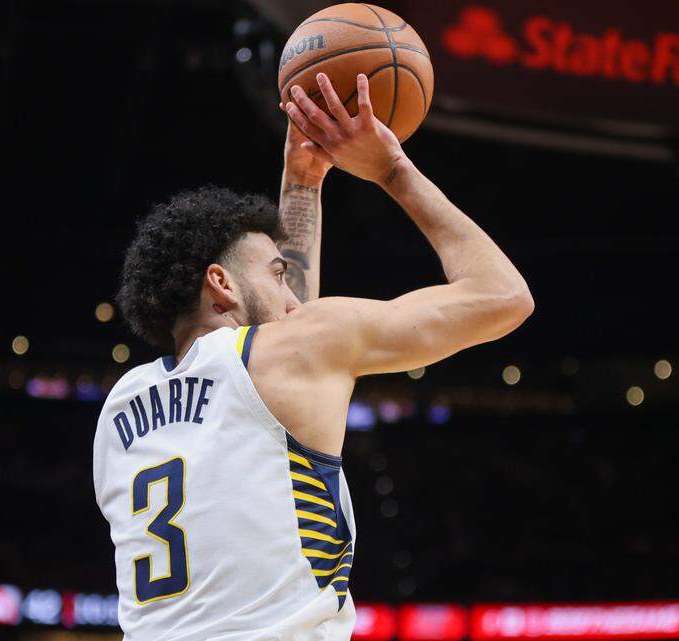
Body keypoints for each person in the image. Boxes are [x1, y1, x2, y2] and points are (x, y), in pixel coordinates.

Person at [93, 72, 533, 641]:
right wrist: (392, 171)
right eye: (278, 275)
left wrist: (302, 182)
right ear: (221, 284)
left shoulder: (120, 409)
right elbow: (504, 297)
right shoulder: (285, 356)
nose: (295, 297)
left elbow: (280, 342)